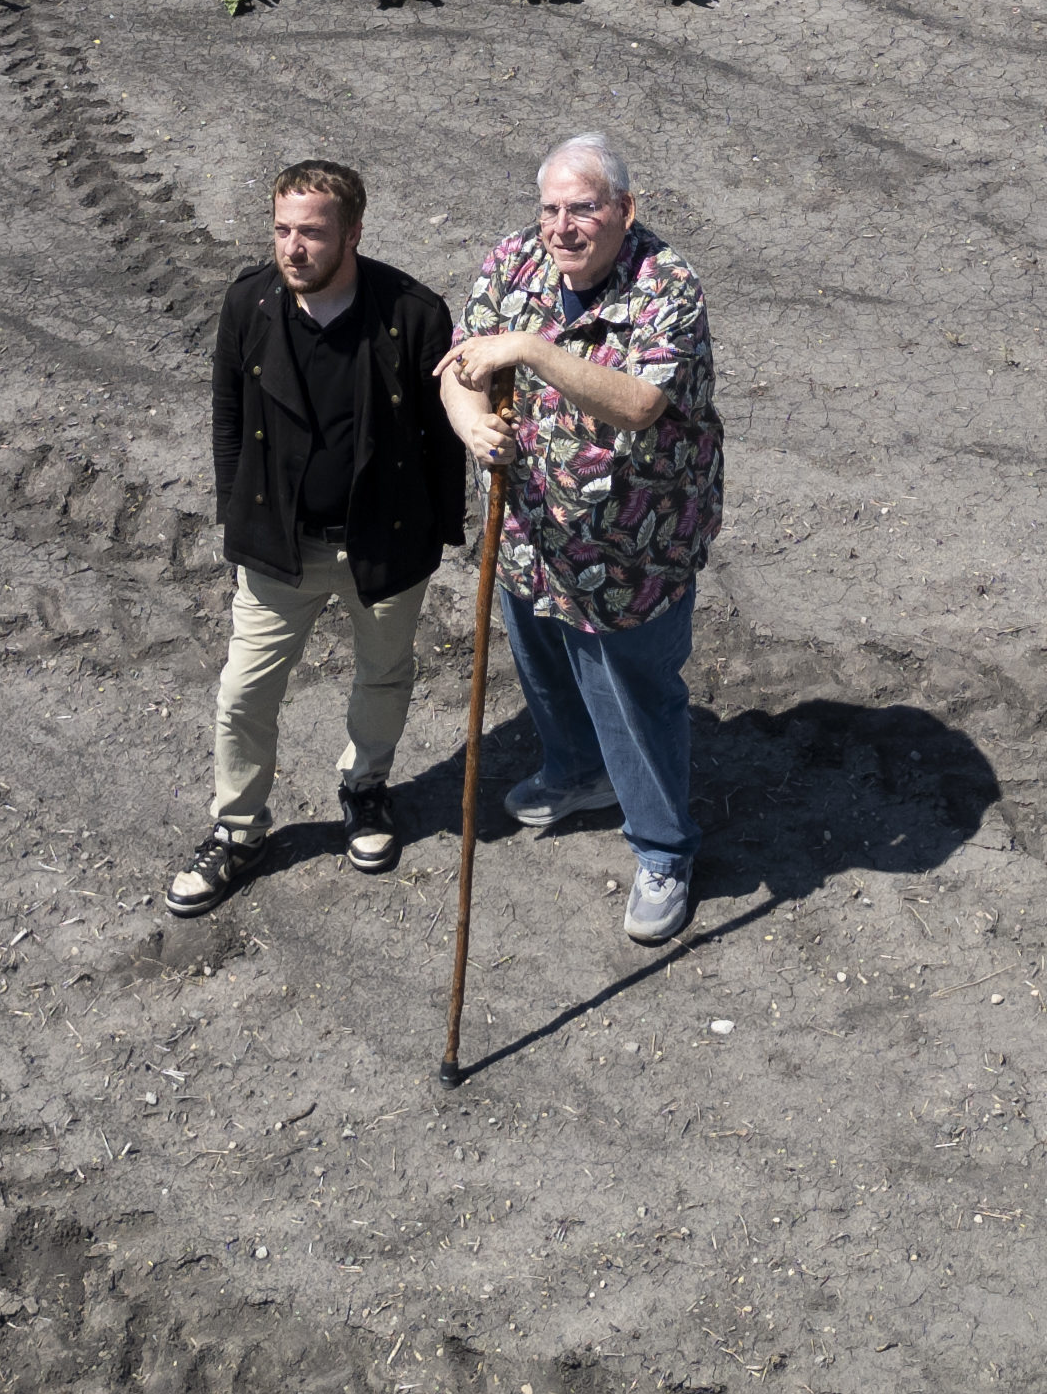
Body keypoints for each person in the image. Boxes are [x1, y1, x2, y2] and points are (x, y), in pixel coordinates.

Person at [439, 131, 723, 948]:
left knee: (634, 694)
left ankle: (664, 850)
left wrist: (532, 347)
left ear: (625, 211)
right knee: (544, 665)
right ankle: (577, 772)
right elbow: (465, 369)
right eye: (551, 209)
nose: (562, 227)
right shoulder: (514, 260)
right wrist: (473, 431)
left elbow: (637, 404)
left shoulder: (668, 285)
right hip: (532, 526)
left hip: (637, 543)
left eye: (584, 208)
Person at [168, 157, 467, 918]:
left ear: (353, 234)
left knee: (384, 674)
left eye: (310, 233)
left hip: (384, 546)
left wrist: (438, 533)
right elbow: (229, 417)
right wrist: (239, 514)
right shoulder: (251, 305)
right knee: (244, 690)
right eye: (281, 230)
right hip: (281, 546)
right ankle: (238, 831)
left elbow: (442, 438)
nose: (292, 248)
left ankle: (366, 791)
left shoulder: (414, 314)